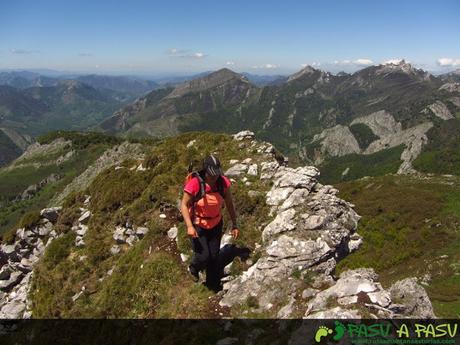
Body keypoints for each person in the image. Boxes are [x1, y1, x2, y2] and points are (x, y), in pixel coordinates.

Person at [180, 154, 239, 292]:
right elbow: (184, 205)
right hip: (198, 224)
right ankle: (194, 268)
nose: (214, 177)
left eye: (216, 174)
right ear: (205, 171)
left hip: (216, 224)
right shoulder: (195, 183)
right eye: (212, 175)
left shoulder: (222, 183)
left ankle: (212, 283)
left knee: (214, 256)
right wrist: (189, 226)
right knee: (204, 255)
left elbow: (229, 203)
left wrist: (235, 224)